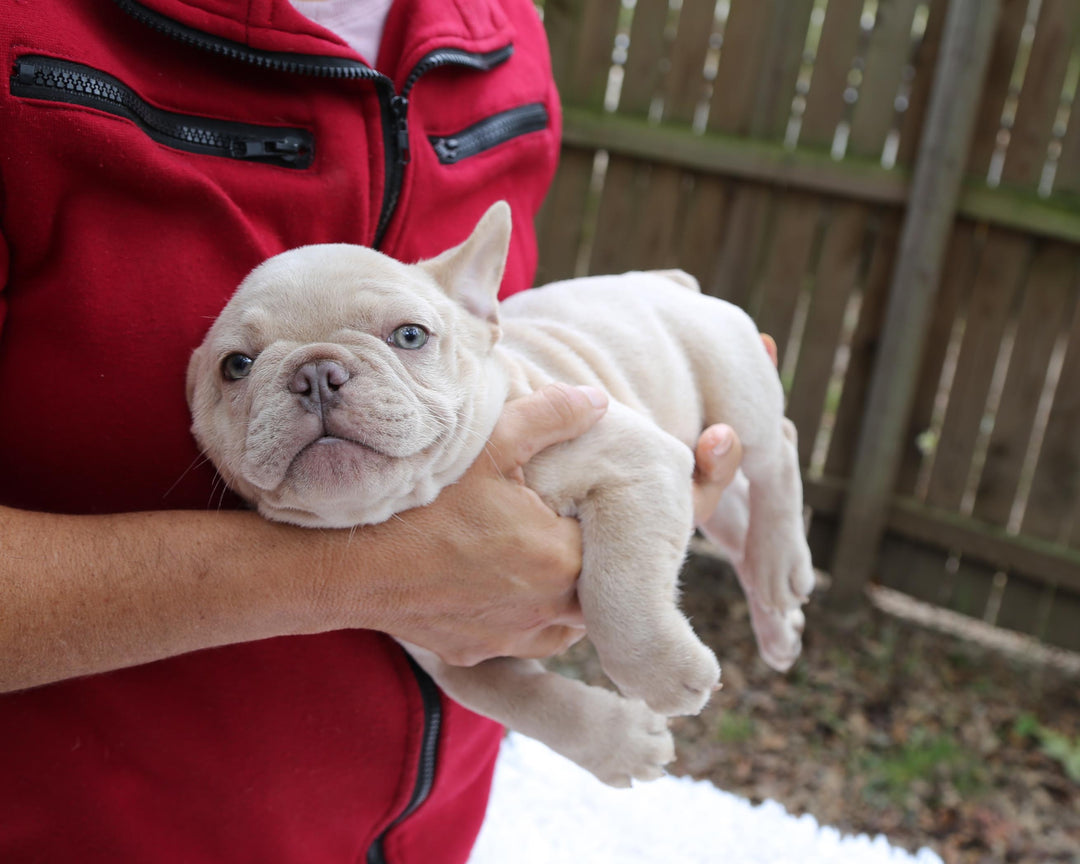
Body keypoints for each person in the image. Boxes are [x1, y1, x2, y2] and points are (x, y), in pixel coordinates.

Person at [0, 1, 752, 861]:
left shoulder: (502, 27)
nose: (323, 380)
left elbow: (494, 357)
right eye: (240, 367)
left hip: (438, 819)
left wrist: (624, 514)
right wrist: (373, 573)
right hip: (98, 826)